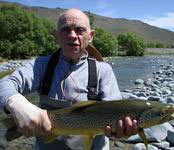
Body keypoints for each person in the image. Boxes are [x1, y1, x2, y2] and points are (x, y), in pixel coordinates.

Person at [0, 8, 138, 150]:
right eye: (65, 30)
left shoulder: (103, 70)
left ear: (90, 36)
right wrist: (17, 104)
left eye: (79, 30)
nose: (72, 35)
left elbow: (114, 115)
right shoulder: (41, 66)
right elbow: (4, 84)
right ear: (56, 36)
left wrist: (119, 133)